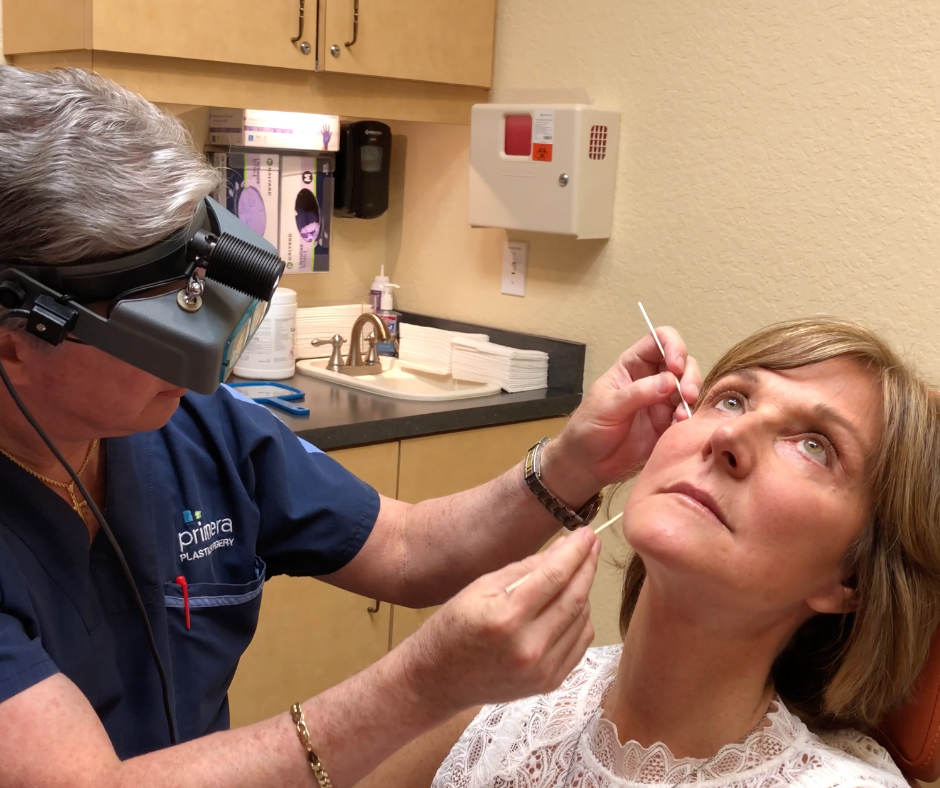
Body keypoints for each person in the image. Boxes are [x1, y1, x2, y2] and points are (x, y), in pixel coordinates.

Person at [0, 66, 703, 788]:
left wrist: (572, 463)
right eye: (164, 335)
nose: (204, 364)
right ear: (15, 341)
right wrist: (421, 686)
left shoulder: (194, 429)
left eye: (201, 303)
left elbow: (404, 548)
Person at [360, 318, 940, 788]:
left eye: (815, 446)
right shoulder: (502, 698)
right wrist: (425, 679)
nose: (729, 436)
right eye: (732, 400)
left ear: (851, 579)